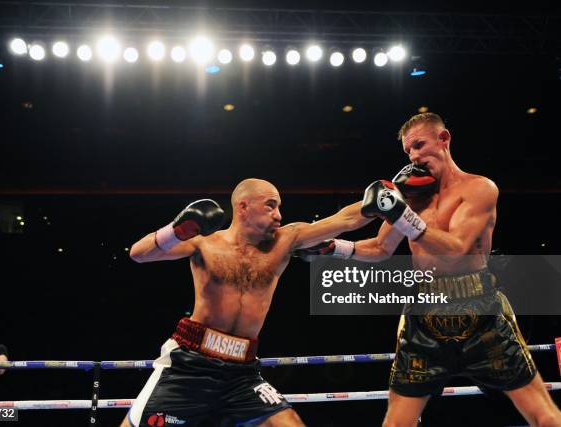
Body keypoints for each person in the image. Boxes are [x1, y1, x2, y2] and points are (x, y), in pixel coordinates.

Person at [297, 113, 561, 427]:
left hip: (481, 310)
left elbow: (456, 249)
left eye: (420, 145)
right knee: (396, 423)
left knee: (542, 414)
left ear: (444, 139)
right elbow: (381, 249)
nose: (415, 157)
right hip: (426, 312)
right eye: (409, 151)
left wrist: (401, 214)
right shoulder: (412, 197)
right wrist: (334, 248)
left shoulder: (479, 189)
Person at [122, 178, 373, 427]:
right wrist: (177, 230)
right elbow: (139, 254)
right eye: (270, 206)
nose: (278, 215)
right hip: (189, 366)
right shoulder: (205, 242)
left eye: (279, 207)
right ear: (243, 207)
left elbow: (346, 219)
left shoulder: (285, 240)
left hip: (242, 373)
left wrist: (392, 196)